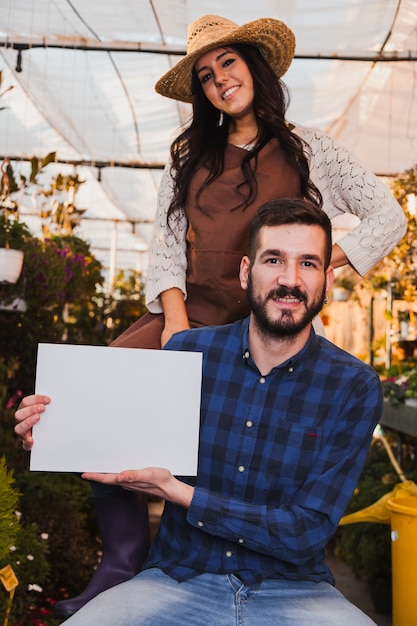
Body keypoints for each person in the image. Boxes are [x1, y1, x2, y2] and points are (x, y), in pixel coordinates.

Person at [19, 13, 407, 619]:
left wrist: (319, 266)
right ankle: (124, 558)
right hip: (193, 315)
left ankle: (256, 570)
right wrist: (176, 326)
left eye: (228, 62)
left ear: (254, 64)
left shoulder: (314, 151)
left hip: (270, 320)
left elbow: (389, 218)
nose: (220, 79)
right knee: (101, 391)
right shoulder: (187, 156)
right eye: (205, 74)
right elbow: (166, 249)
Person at [15, 198, 383, 625]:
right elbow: (114, 439)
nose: (289, 279)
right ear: (246, 272)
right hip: (178, 577)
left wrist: (180, 493)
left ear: (327, 278)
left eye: (307, 264)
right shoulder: (187, 353)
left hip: (295, 589)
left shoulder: (352, 385)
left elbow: (306, 533)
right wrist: (51, 426)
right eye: (274, 260)